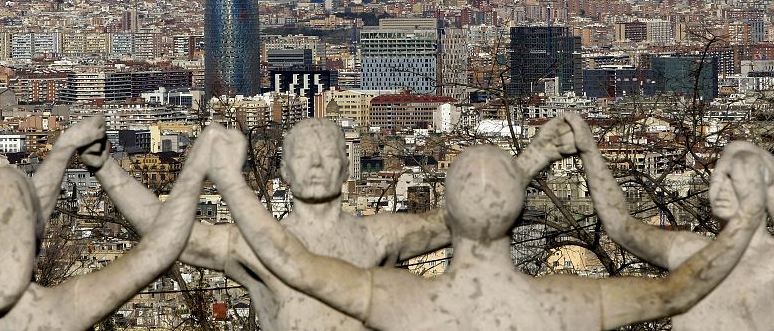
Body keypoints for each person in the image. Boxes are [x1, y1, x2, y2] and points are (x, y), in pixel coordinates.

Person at [208, 124, 765, 331]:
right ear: (517, 209)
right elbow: (676, 291)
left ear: (446, 210)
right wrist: (746, 220)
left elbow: (291, 262)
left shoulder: (402, 301)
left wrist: (232, 183)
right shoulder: (565, 305)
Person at [79, 116, 577, 331]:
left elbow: (462, 218)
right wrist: (105, 167)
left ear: (345, 165)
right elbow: (167, 232)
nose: (316, 164)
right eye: (303, 155)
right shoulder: (252, 246)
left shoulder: (377, 235)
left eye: (327, 153)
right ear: (285, 170)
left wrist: (535, 157)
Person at [0, 117, 212, 331]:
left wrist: (65, 149)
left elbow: (31, 213)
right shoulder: (48, 313)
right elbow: (161, 247)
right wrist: (101, 166)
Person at [565, 114, 774, 331]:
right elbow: (620, 226)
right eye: (718, 178)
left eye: (735, 179)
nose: (721, 188)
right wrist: (589, 152)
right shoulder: (690, 251)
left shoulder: (769, 263)